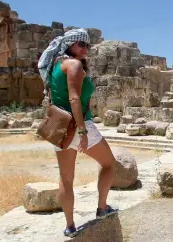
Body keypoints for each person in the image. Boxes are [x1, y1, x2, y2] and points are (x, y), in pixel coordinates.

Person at [38, 28, 118, 238]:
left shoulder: (56, 66)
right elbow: (74, 99)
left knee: (66, 178)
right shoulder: (73, 65)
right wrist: (82, 131)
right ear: (69, 45)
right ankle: (102, 208)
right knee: (110, 164)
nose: (85, 49)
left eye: (87, 45)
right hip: (79, 125)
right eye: (81, 44)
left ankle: (70, 226)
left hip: (60, 128)